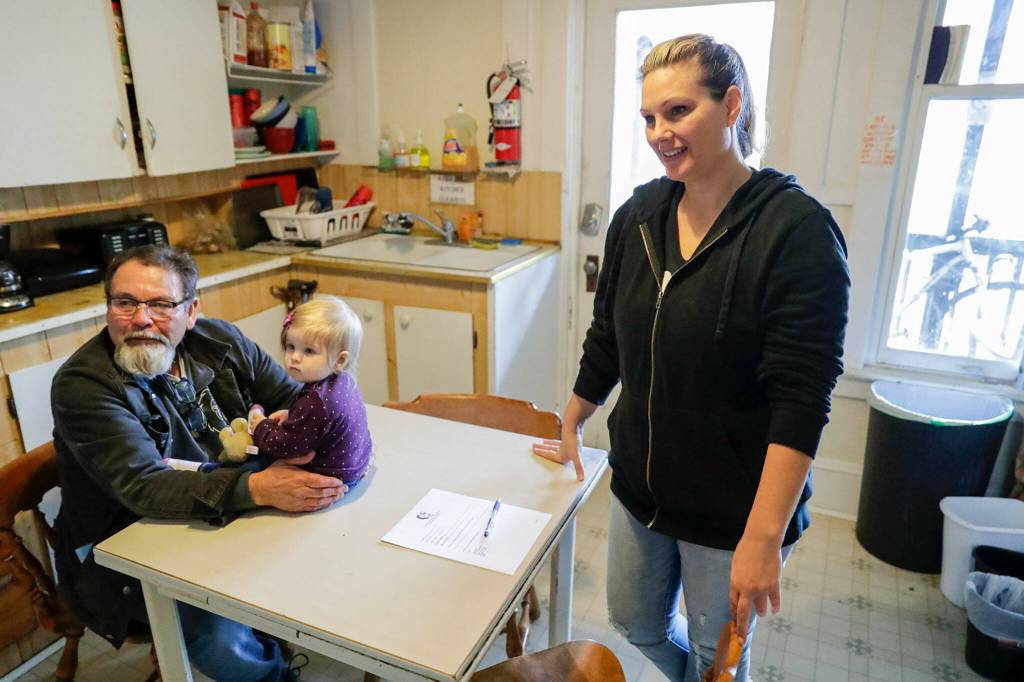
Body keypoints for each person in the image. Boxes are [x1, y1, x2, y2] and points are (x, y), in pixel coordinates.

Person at [533, 34, 850, 681]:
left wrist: (762, 538)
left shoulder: (795, 233)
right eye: (649, 117)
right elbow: (608, 335)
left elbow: (802, 398)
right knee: (635, 622)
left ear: (731, 105)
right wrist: (574, 415)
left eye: (678, 112)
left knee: (720, 656)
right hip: (640, 487)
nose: (659, 133)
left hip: (732, 510)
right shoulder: (638, 216)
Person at [51, 245, 346, 682]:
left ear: (191, 312)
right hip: (126, 551)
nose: (141, 318)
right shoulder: (84, 385)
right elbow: (145, 487)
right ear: (109, 308)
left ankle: (275, 641)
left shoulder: (222, 341)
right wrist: (260, 487)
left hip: (222, 517)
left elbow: (294, 399)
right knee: (217, 633)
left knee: (327, 546)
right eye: (125, 302)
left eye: (161, 304)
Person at [249, 296, 373, 486]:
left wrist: (261, 427)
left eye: (308, 351)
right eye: (291, 347)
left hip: (331, 478)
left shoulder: (315, 399)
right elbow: (322, 421)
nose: (295, 357)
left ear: (340, 360)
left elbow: (286, 446)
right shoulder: (344, 380)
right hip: (357, 464)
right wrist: (293, 415)